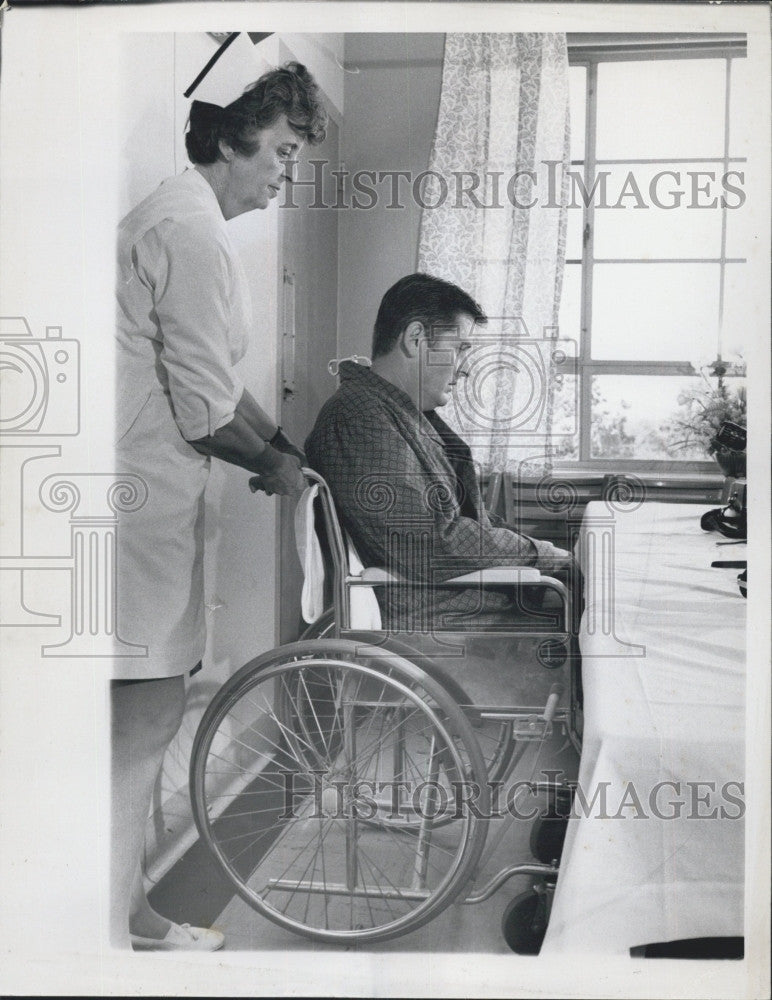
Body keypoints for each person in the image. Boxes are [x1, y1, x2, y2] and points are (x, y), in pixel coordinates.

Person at [112, 40, 327, 951]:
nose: (286, 171)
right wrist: (276, 470)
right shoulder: (188, 230)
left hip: (153, 504)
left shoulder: (187, 222)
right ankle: (119, 934)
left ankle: (129, 916)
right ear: (233, 138)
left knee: (144, 724)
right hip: (136, 510)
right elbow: (203, 411)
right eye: (281, 149)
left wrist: (276, 443)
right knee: (142, 728)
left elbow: (210, 377)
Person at [305, 272, 582, 633]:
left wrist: (539, 554)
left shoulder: (392, 411)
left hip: (457, 597)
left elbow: (454, 525)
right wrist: (541, 554)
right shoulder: (358, 417)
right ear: (416, 339)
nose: (464, 368)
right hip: (439, 616)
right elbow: (431, 540)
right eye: (460, 348)